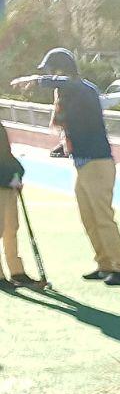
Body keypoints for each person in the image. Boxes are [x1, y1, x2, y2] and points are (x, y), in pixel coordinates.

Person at [9, 48, 120, 285]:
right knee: (88, 217)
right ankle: (104, 263)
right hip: (82, 163)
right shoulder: (68, 96)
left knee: (103, 217)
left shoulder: (84, 90)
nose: (52, 77)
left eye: (53, 71)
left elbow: (71, 85)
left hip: (97, 162)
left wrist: (36, 81)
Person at [0, 121, 42, 290]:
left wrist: (17, 173)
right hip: (3, 183)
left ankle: (16, 271)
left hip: (8, 185)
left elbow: (6, 154)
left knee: (11, 228)